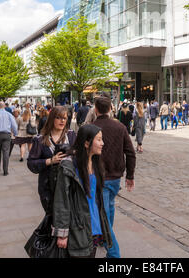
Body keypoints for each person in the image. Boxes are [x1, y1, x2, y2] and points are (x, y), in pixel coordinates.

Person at [52, 124, 112, 257]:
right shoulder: (69, 166)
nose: (102, 143)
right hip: (77, 227)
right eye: (99, 139)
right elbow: (61, 200)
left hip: (94, 224)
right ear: (86, 143)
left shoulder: (96, 163)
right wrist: (62, 234)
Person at [93, 95, 136, 258]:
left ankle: (113, 253)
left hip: (100, 177)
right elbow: (130, 153)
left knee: (103, 214)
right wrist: (130, 176)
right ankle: (105, 239)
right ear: (111, 109)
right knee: (109, 207)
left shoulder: (92, 127)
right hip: (115, 177)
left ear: (96, 109)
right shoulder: (119, 127)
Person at [27, 106, 76, 214]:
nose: (62, 121)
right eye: (58, 118)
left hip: (69, 186)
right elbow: (31, 163)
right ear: (52, 119)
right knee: (52, 219)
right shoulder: (40, 139)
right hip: (48, 187)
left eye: (64, 118)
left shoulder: (71, 135)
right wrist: (50, 161)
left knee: (67, 220)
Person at [0, 101, 18, 175]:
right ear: (4, 106)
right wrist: (15, 134)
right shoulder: (9, 114)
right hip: (6, 135)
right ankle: (5, 171)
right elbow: (14, 125)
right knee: (6, 152)